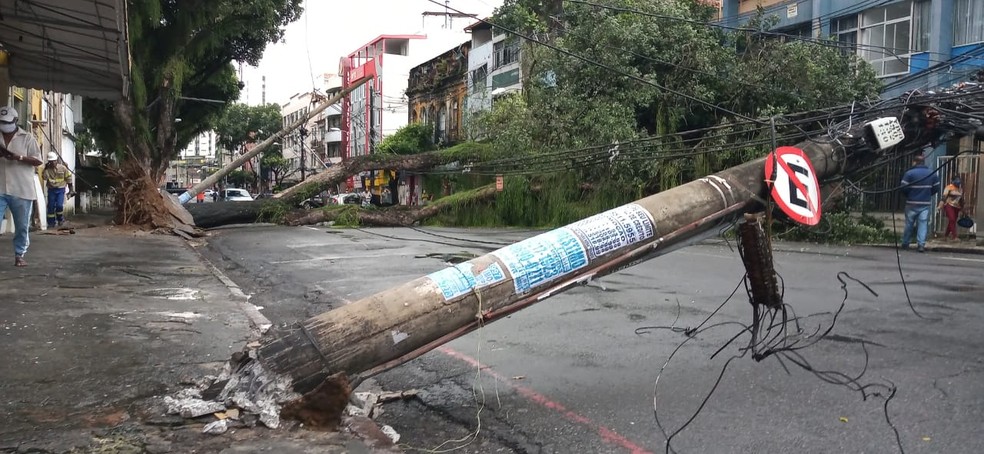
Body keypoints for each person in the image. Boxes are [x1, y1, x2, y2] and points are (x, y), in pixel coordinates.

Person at [0, 106, 44, 266]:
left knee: (21, 226)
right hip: (0, 187)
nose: (4, 125)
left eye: (7, 122)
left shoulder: (27, 138)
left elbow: (38, 160)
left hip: (21, 189)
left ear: (15, 121)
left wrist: (19, 157)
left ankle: (19, 255)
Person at [899, 154, 940, 252]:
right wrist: (928, 194)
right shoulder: (932, 173)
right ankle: (921, 245)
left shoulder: (909, 173)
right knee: (923, 223)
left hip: (911, 203)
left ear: (914, 162)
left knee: (909, 224)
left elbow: (903, 188)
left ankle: (905, 243)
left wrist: (909, 195)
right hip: (925, 203)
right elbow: (936, 188)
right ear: (923, 162)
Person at [42, 151, 75, 228]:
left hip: (61, 189)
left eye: (54, 161)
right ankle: (51, 222)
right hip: (51, 190)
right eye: (51, 161)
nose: (53, 163)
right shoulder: (47, 170)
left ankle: (60, 219)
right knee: (51, 206)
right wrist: (45, 169)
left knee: (59, 206)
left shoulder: (63, 168)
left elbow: (68, 177)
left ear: (56, 160)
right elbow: (44, 178)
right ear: (49, 162)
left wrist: (71, 189)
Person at [939, 176, 964, 241]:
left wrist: (962, 208)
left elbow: (961, 199)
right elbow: (944, 196)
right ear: (952, 181)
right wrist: (941, 205)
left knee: (952, 221)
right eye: (956, 180)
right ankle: (954, 236)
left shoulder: (960, 189)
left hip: (957, 207)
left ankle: (945, 236)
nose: (958, 181)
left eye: (959, 180)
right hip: (949, 205)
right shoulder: (949, 187)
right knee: (952, 219)